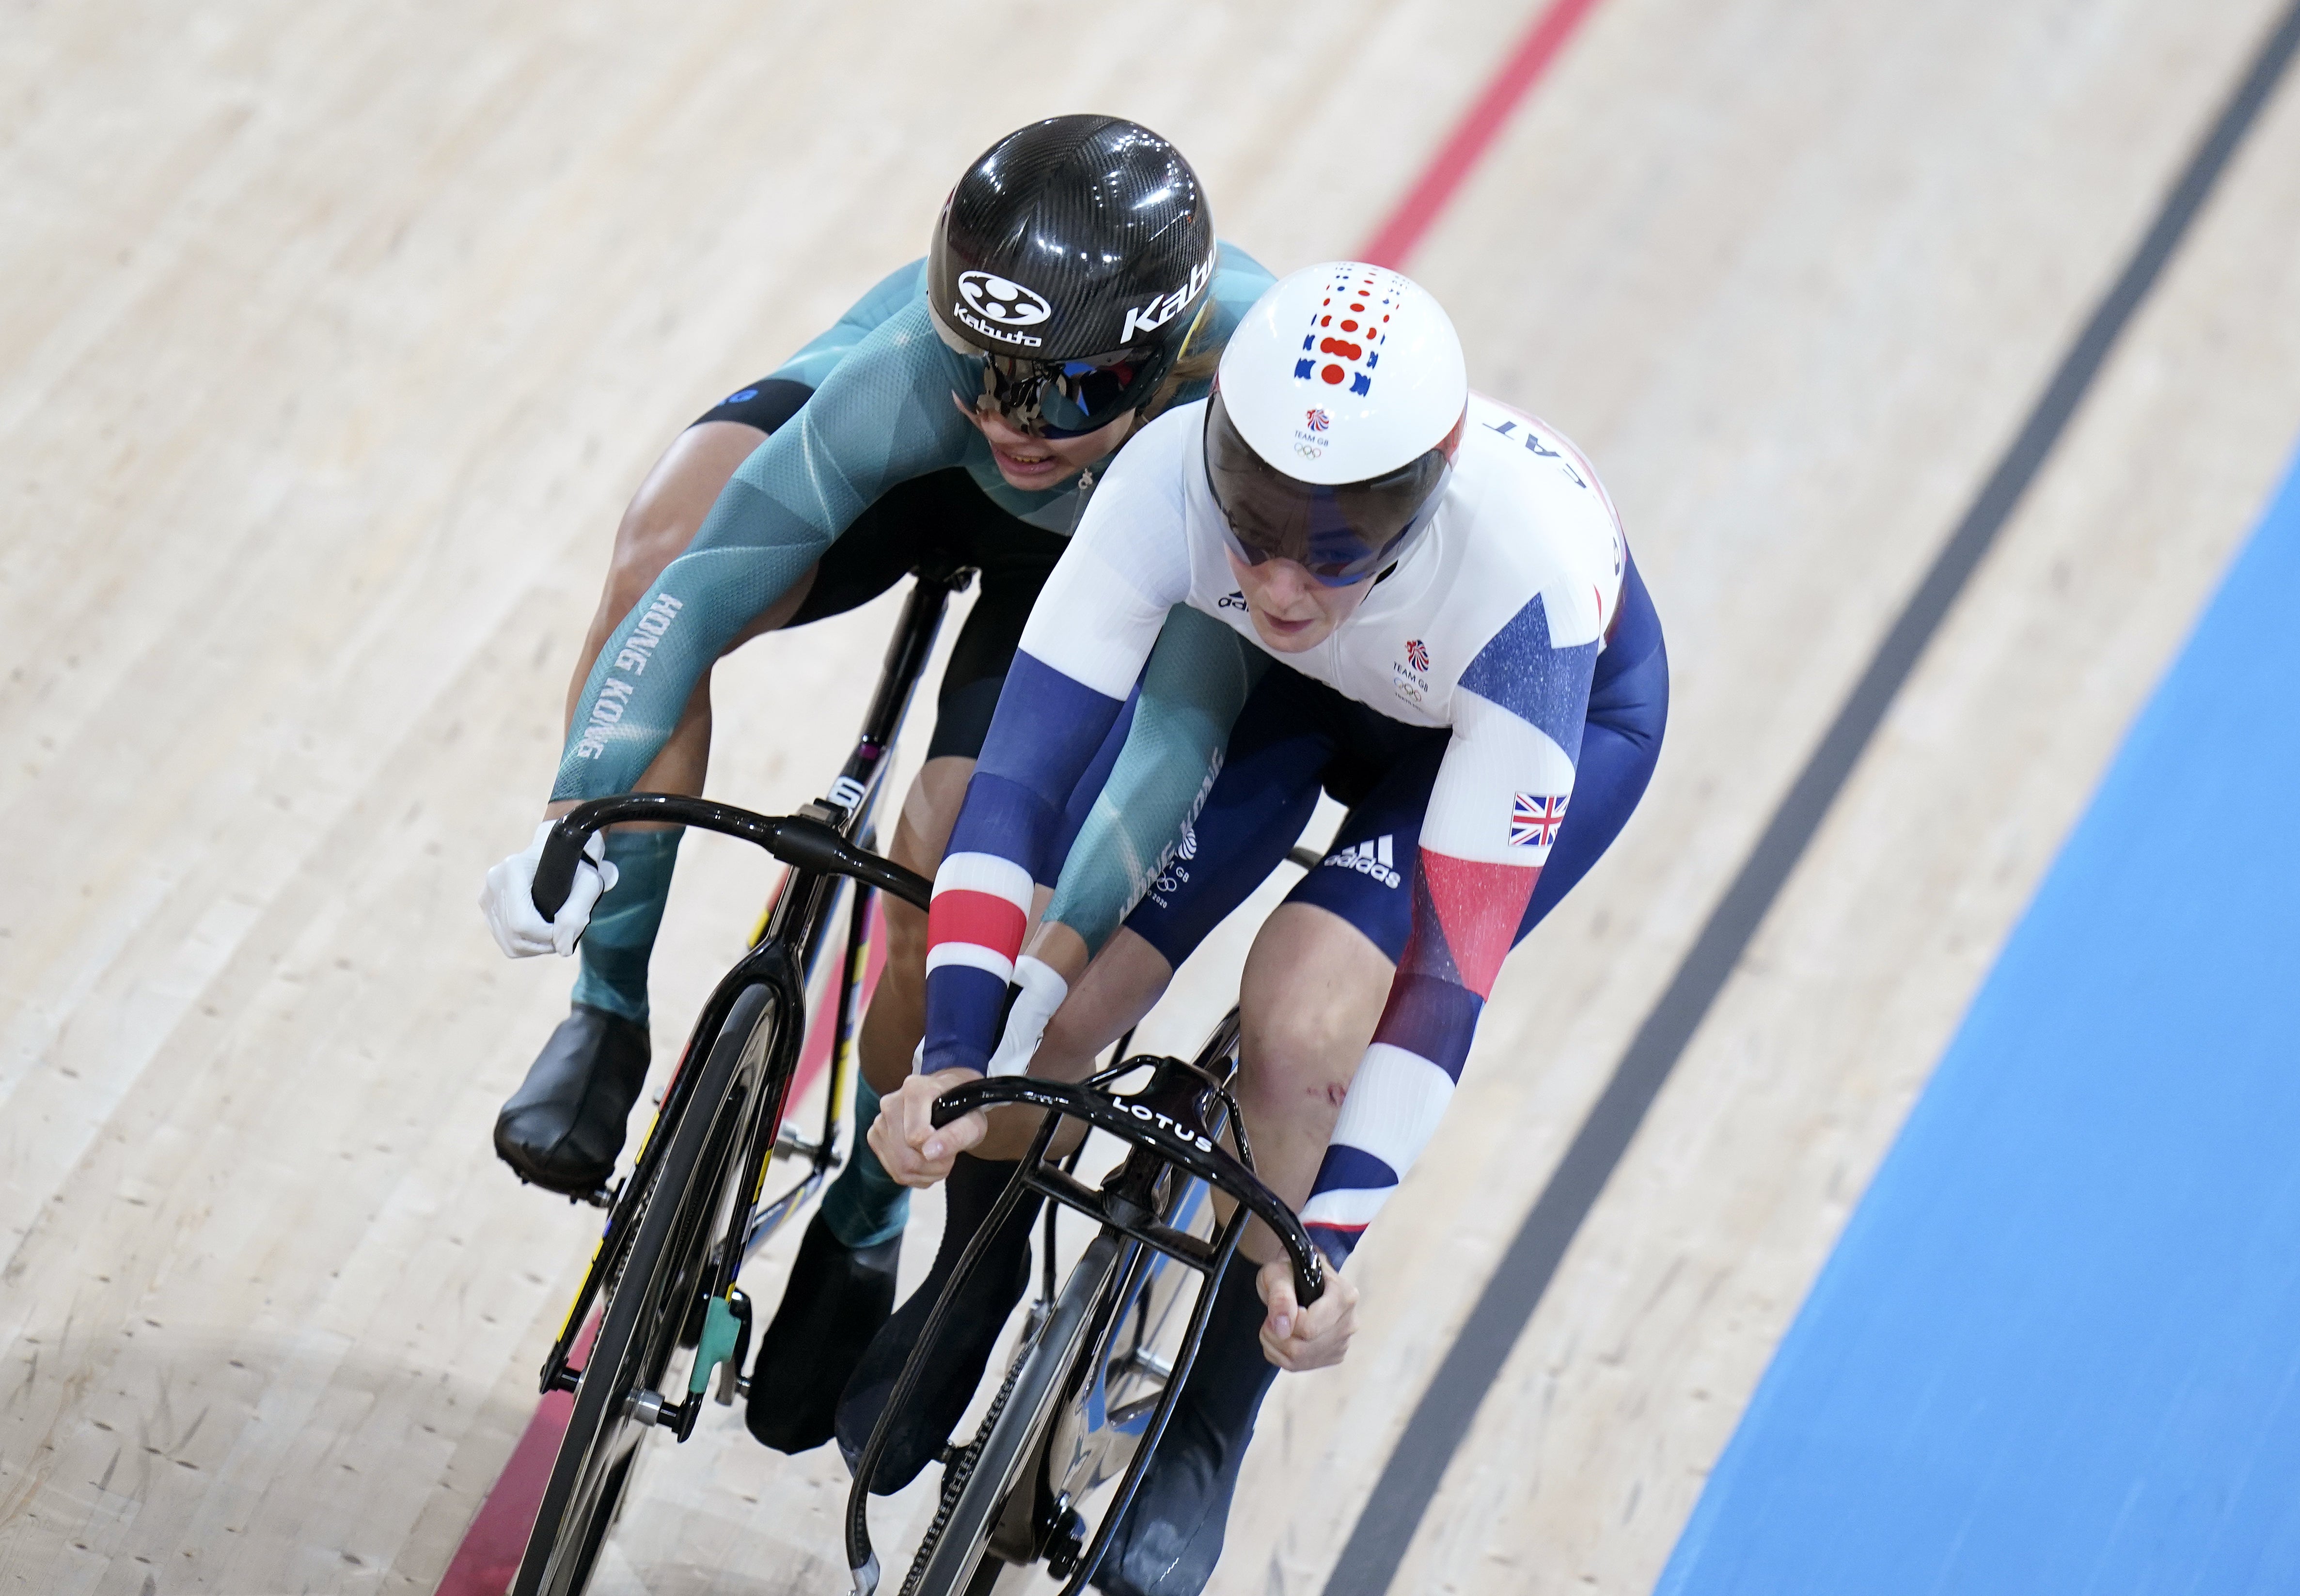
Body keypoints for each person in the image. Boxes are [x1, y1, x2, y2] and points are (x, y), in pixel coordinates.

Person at [855, 262, 1670, 1593]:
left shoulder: (1520, 589)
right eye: (1254, 534)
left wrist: (1327, 1246)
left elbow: (1446, 982)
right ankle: (974, 1279)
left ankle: (1209, 1421)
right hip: (1305, 696)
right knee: (1057, 1007)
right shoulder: (1169, 475)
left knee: (1302, 1020)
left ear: (1422, 503)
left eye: (1335, 547)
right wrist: (955, 1048)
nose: (1283, 581)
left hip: (1494, 727)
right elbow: (1020, 784)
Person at [476, 114, 1276, 1455]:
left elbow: (1169, 748)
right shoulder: (921, 370)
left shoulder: (1225, 420)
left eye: (1064, 389)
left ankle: (865, 1212)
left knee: (954, 862)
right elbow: (698, 590)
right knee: (656, 548)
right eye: (989, 373)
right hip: (901, 472)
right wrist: (580, 822)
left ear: (1154, 358)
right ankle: (606, 1011)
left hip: (1095, 559)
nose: (1017, 424)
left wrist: (1029, 966)